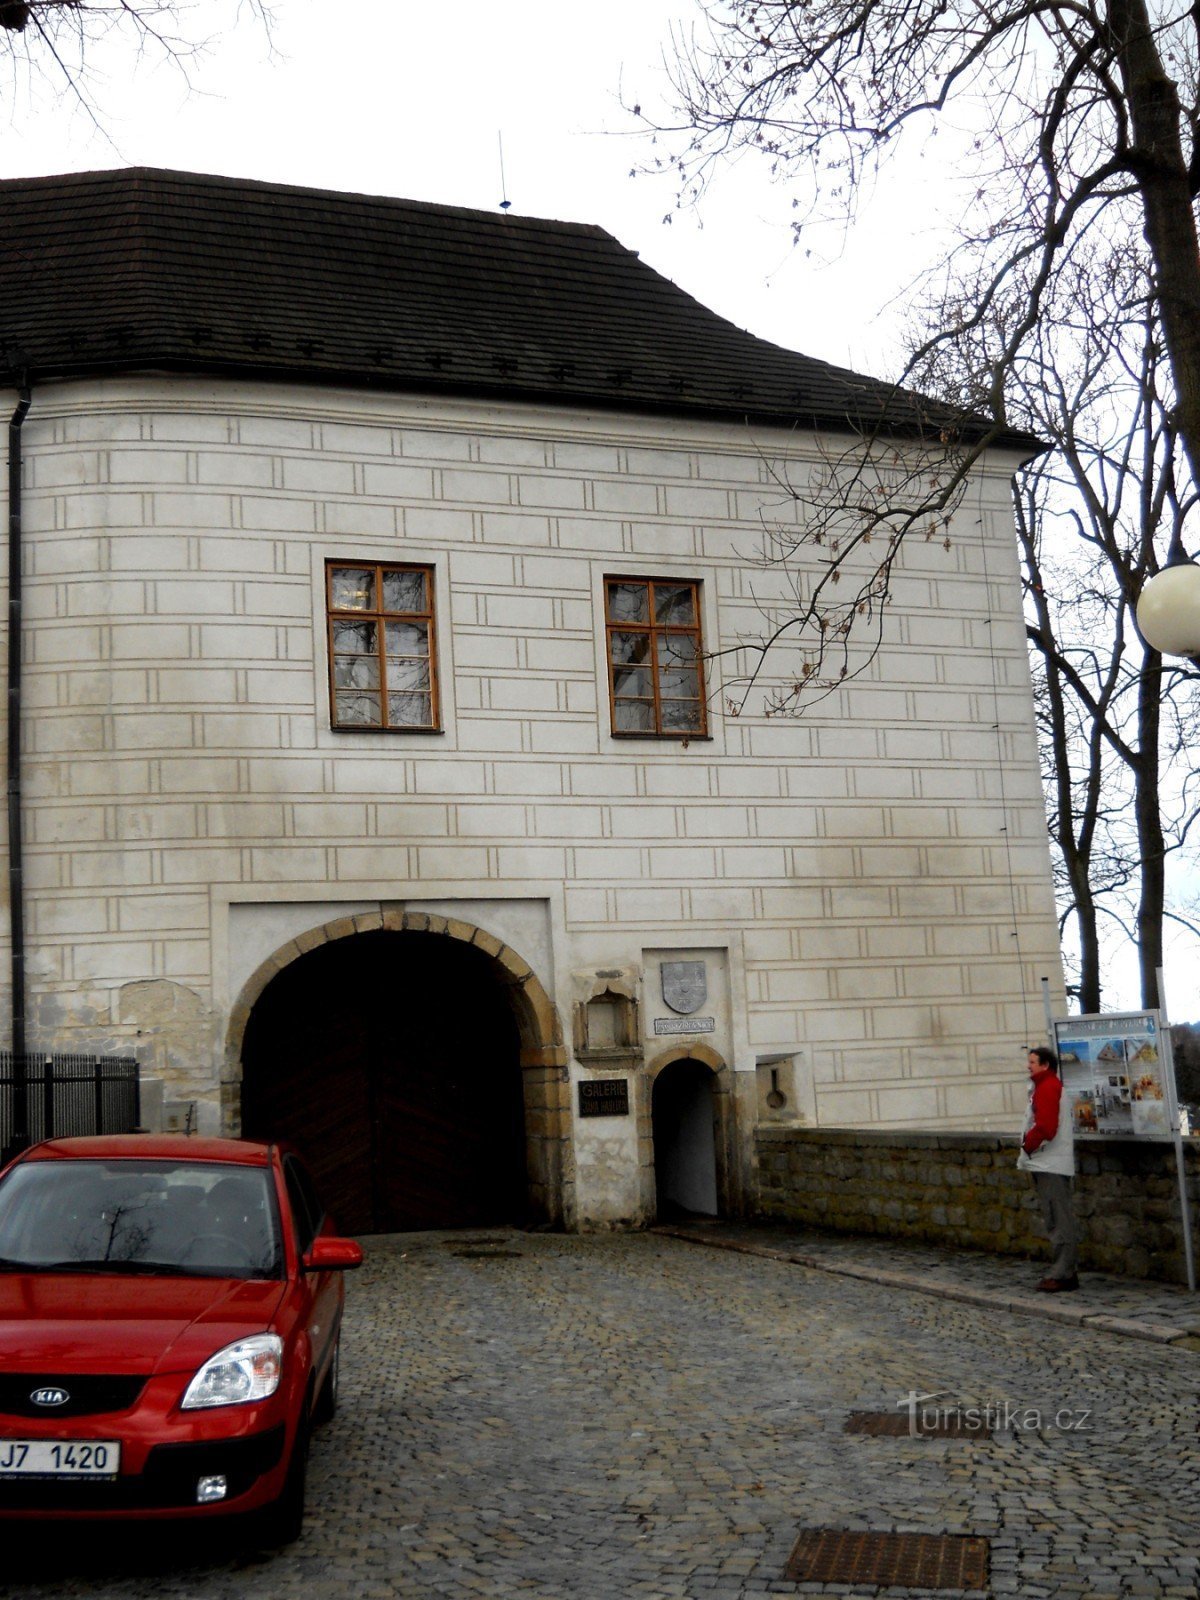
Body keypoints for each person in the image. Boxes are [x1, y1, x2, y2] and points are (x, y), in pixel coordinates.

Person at [1017, 1045, 1080, 1291]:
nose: (1028, 1066)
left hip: (1050, 1161)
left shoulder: (1048, 1087)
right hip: (1049, 1160)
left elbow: (1046, 1127)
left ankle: (1063, 1272)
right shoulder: (1046, 1086)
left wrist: (1028, 1146)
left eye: (1032, 1062)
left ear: (1045, 1065)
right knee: (1056, 1216)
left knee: (1058, 1218)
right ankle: (1065, 1271)